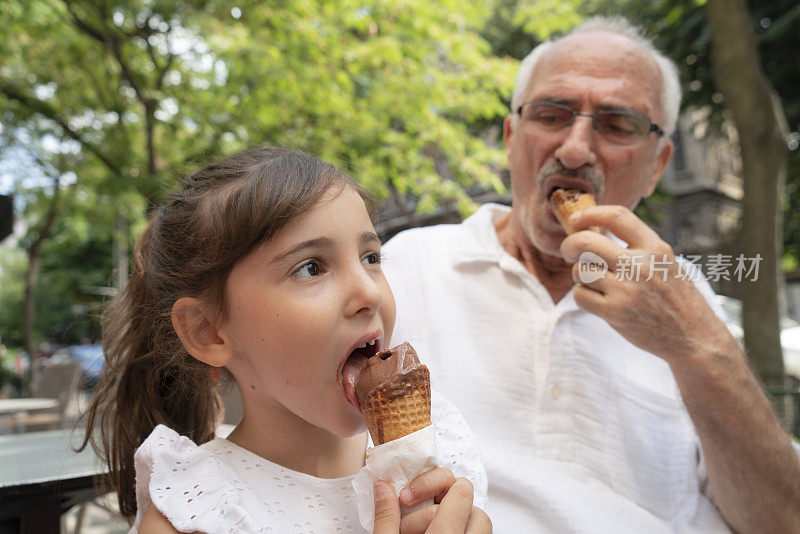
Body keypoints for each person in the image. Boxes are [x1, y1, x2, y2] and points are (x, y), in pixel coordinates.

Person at [382, 16, 800, 533]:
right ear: (512, 137)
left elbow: (781, 519)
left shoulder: (685, 296)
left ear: (657, 164)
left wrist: (697, 346)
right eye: (552, 114)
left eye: (617, 123)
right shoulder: (407, 268)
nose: (576, 149)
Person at [80, 147, 491, 533]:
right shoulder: (195, 515)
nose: (370, 293)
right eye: (311, 268)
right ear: (207, 331)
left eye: (371, 258)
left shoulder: (442, 452)